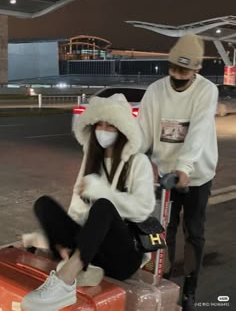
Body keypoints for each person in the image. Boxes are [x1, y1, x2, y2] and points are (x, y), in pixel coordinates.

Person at [21, 93, 156, 311]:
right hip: (91, 251)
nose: (103, 130)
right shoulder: (91, 161)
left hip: (121, 256)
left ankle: (65, 281)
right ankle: (75, 262)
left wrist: (101, 191)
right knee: (44, 204)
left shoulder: (138, 162)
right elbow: (77, 212)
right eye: (99, 124)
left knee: (103, 206)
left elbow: (143, 209)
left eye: (110, 126)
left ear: (123, 131)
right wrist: (53, 240)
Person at [138, 34, 218, 311]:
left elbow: (197, 133)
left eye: (184, 70)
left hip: (197, 174)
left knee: (193, 232)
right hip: (165, 176)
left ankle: (190, 290)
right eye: (173, 67)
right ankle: (165, 282)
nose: (177, 74)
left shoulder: (206, 91)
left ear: (196, 70)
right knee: (163, 232)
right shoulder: (155, 90)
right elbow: (144, 132)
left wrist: (184, 168)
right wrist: (133, 158)